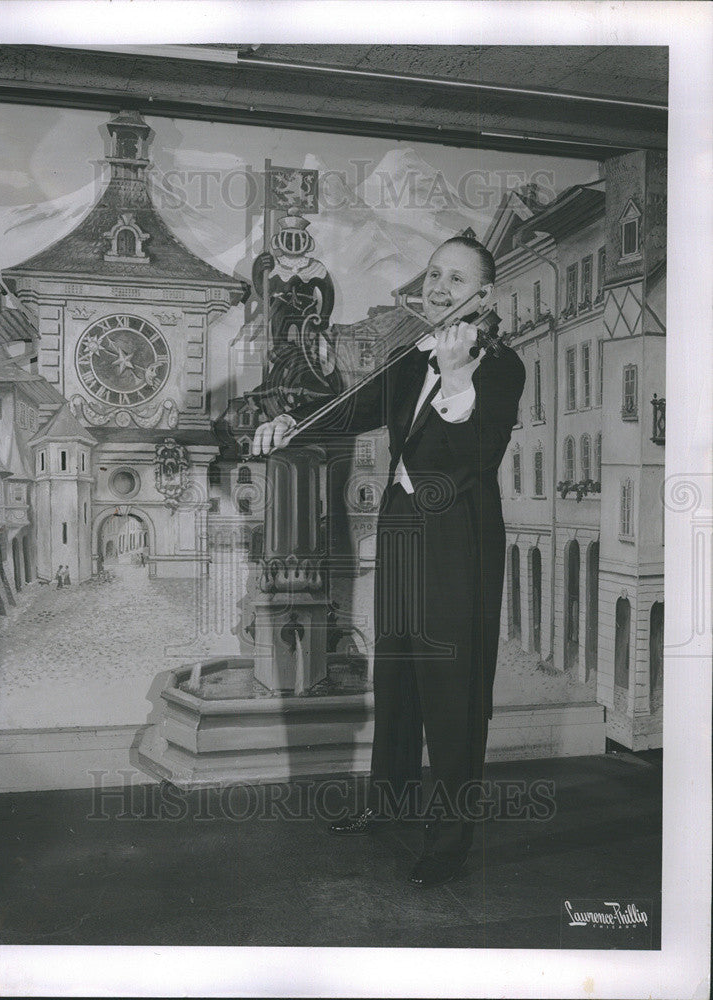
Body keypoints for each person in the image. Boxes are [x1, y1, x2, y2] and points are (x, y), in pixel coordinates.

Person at [252, 236, 525, 887]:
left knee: (452, 696)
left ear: (482, 296)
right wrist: (290, 421)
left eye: (454, 278)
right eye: (432, 273)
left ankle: (449, 841)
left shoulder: (501, 368)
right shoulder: (408, 360)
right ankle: (389, 802)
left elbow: (474, 456)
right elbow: (351, 410)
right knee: (398, 681)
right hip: (403, 537)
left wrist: (458, 378)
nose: (437, 285)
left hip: (458, 546)